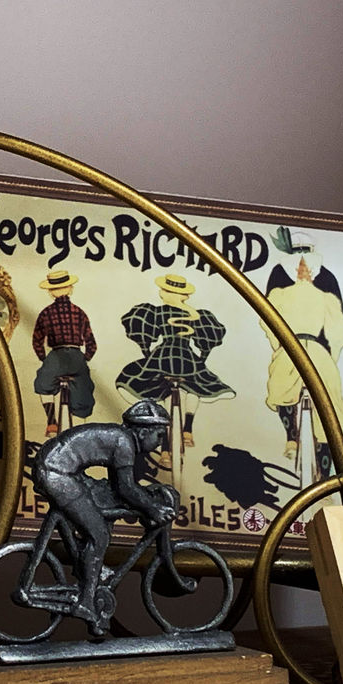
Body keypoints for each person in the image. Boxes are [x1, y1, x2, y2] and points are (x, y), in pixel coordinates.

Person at [32, 399, 178, 636]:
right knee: (99, 535)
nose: (161, 442)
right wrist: (153, 509)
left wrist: (146, 501)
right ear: (143, 432)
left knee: (102, 509)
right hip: (57, 474)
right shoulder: (124, 443)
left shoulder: (120, 438)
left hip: (59, 470)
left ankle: (92, 569)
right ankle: (85, 602)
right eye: (159, 435)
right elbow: (126, 489)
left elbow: (118, 490)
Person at [260, 228, 343, 476]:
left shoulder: (320, 281)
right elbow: (339, 328)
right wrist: (330, 355)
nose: (302, 267)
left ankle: (316, 465)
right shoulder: (282, 278)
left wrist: (280, 347)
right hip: (307, 351)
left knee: (325, 406)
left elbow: (268, 320)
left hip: (301, 350)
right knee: (285, 387)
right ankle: (295, 440)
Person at [115, 273, 234, 447]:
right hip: (187, 358)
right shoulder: (196, 315)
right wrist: (202, 359)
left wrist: (146, 352)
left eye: (163, 290)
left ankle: (164, 443)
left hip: (163, 356)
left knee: (150, 387)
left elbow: (142, 332)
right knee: (195, 386)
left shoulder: (157, 312)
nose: (161, 293)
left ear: (168, 293)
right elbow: (209, 337)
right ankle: (188, 428)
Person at [31, 269, 97, 437]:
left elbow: (37, 340)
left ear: (50, 292)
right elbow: (91, 342)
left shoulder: (46, 313)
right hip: (76, 356)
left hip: (56, 356)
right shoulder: (79, 312)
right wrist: (85, 358)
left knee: (43, 384)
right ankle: (79, 432)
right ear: (70, 289)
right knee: (83, 391)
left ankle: (52, 422)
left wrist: (44, 359)